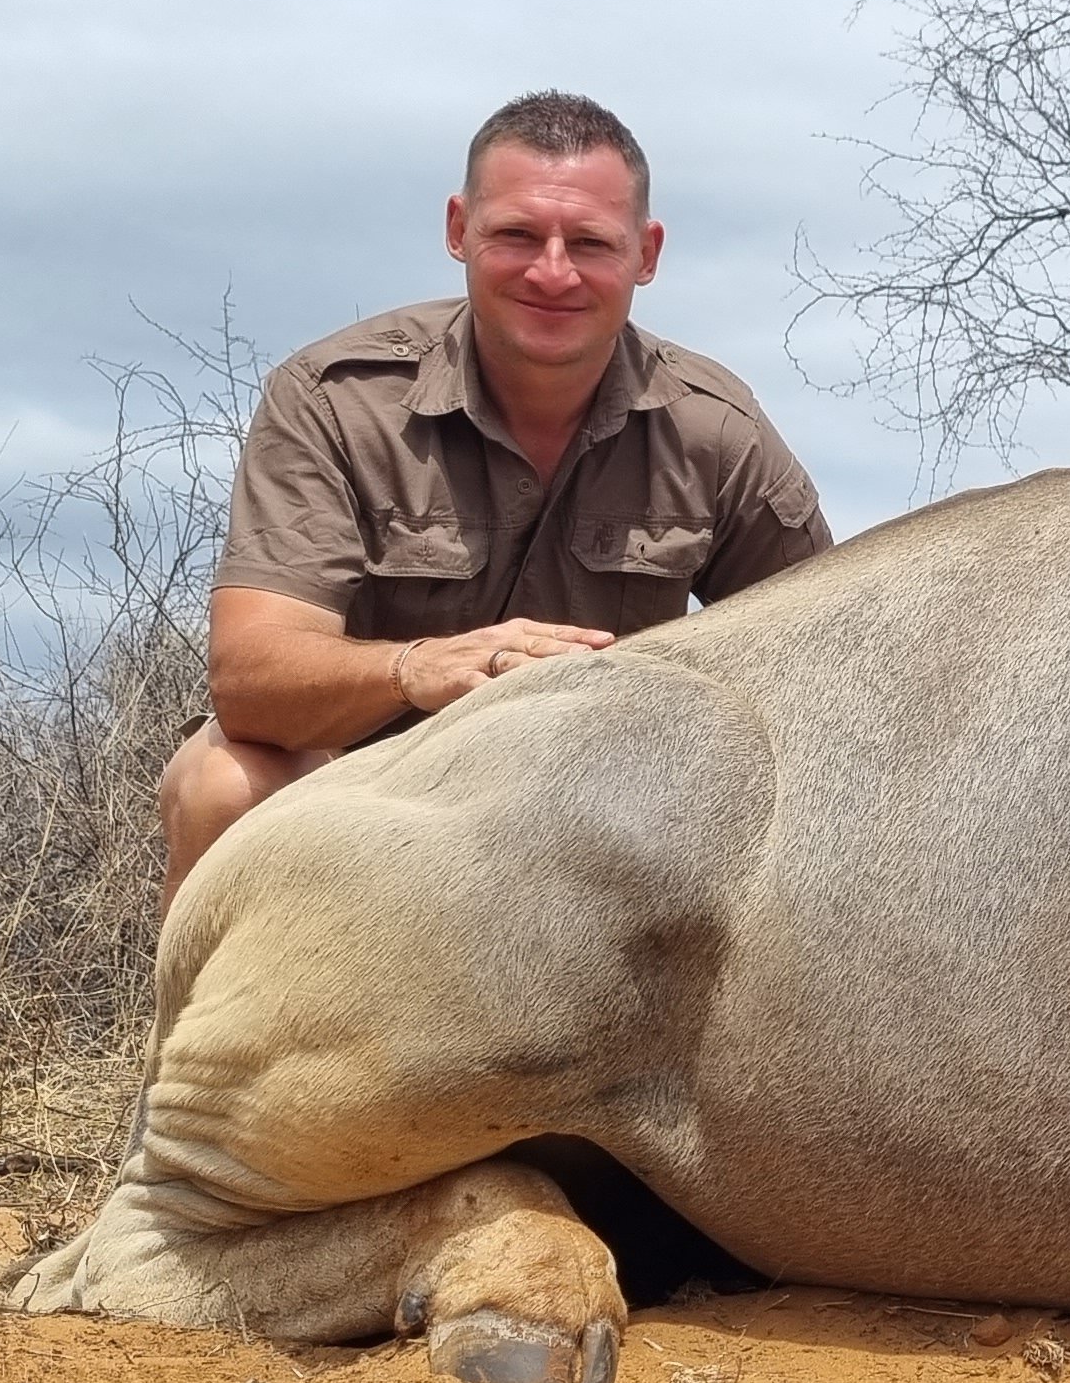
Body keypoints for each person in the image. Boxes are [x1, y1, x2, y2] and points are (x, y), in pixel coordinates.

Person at [158, 91, 831, 906]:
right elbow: (251, 681)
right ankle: (202, 1040)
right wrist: (416, 670)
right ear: (458, 230)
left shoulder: (717, 430)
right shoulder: (333, 398)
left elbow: (827, 676)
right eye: (517, 235)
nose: (553, 272)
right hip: (367, 801)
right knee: (222, 783)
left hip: (604, 823)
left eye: (590, 242)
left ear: (646, 253)